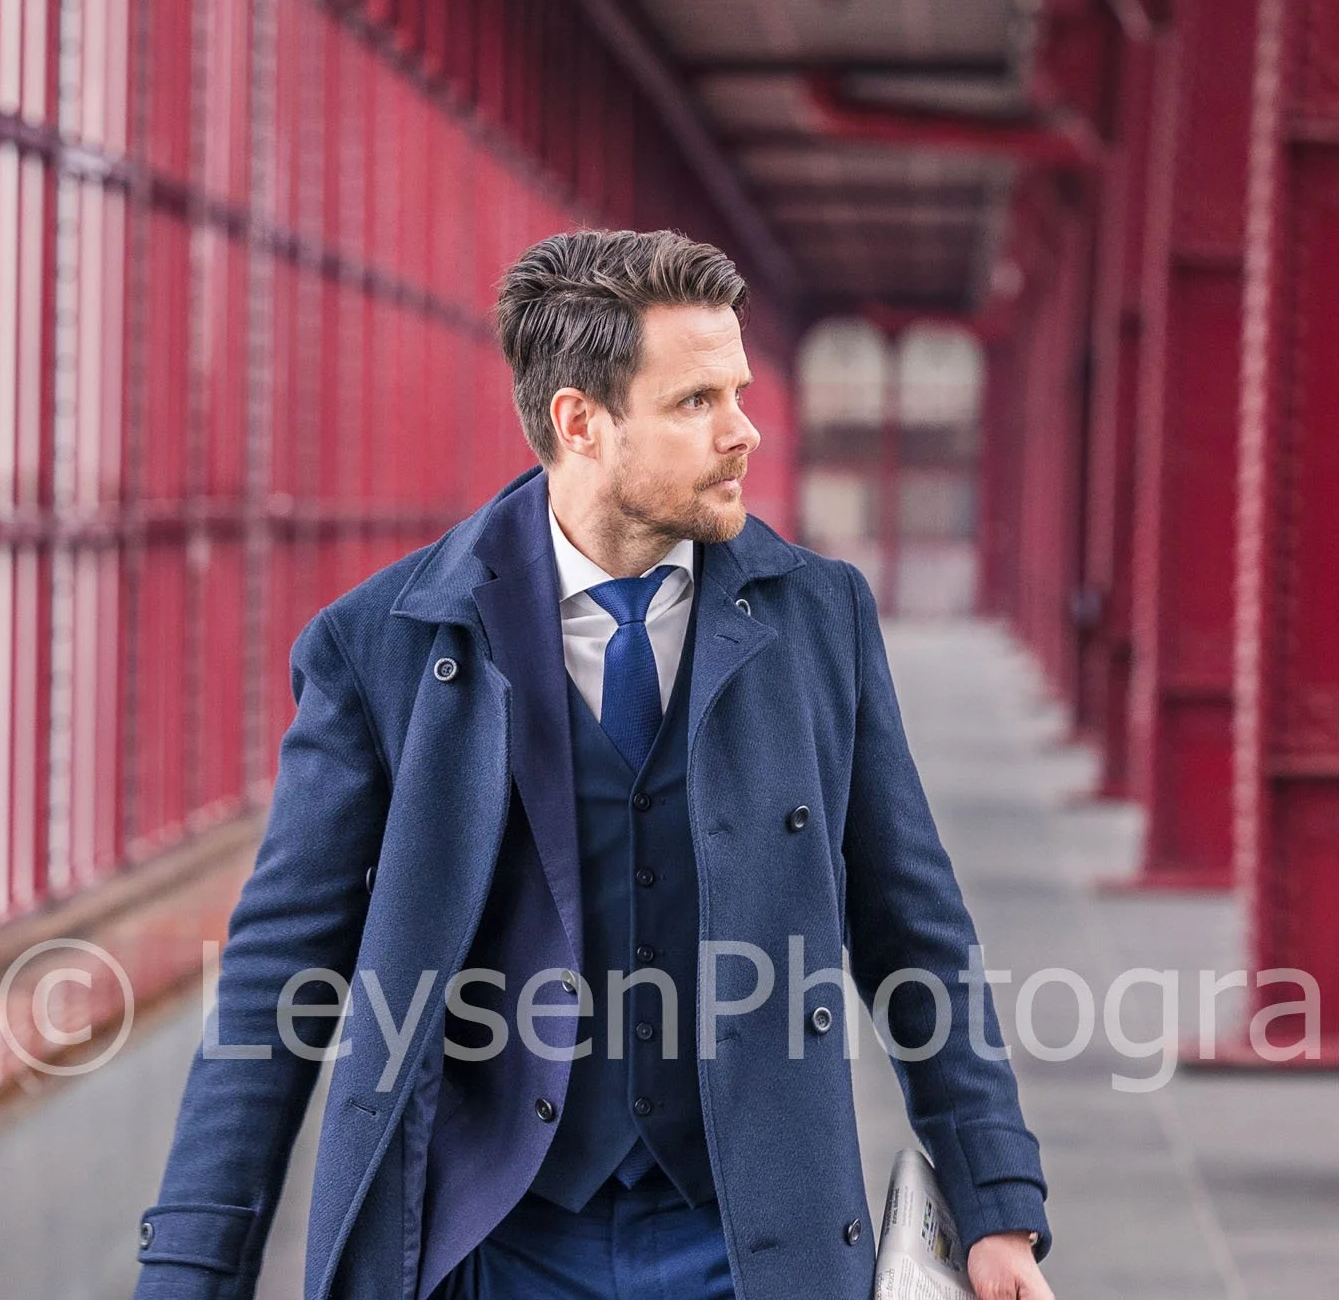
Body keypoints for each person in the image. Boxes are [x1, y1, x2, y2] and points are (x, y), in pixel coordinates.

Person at [130, 229, 1054, 1300]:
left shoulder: (817, 619)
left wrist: (996, 1206)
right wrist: (191, 1267)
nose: (743, 431)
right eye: (694, 401)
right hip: (485, 1240)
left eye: (737, 391)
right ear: (580, 421)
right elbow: (275, 979)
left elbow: (914, 929)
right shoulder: (380, 643)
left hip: (750, 1238)